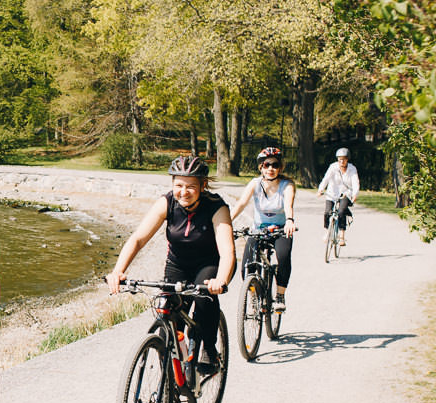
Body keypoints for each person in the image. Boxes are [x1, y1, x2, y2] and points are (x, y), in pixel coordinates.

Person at [106, 155, 235, 371]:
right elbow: (138, 239)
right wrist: (118, 271)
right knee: (169, 317)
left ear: (203, 186)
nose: (183, 192)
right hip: (178, 265)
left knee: (205, 301)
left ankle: (208, 351)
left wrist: (220, 280)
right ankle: (173, 375)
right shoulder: (167, 203)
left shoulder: (216, 207)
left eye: (191, 186)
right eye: (178, 185)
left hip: (210, 265)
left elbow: (227, 251)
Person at [229, 147, 296, 312]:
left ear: (280, 167)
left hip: (281, 230)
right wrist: (226, 223)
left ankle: (280, 295)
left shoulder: (287, 185)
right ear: (261, 167)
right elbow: (241, 204)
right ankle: (254, 297)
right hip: (258, 230)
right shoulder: (254, 183)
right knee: (247, 265)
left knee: (283, 256)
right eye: (266, 165)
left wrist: (289, 220)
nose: (271, 169)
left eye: (275, 165)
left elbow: (288, 205)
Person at [317, 147, 359, 246]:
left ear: (347, 159)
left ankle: (342, 236)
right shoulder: (333, 167)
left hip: (346, 193)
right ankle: (327, 232)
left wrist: (354, 195)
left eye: (344, 159)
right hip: (332, 193)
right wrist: (320, 189)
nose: (341, 161)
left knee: (341, 212)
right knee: (327, 212)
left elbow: (355, 182)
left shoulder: (352, 169)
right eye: (339, 159)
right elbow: (326, 179)